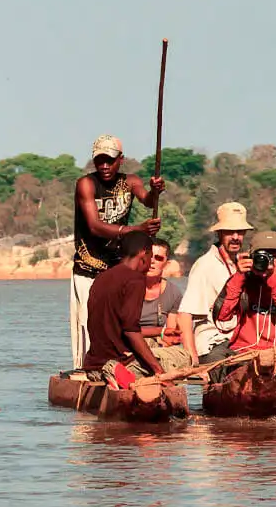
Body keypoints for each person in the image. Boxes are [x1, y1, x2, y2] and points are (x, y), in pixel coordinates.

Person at [69, 134, 164, 367]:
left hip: (115, 269)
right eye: (99, 160)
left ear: (120, 159)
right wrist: (135, 230)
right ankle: (86, 368)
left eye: (109, 160)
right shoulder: (87, 184)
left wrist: (155, 191)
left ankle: (118, 366)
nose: (104, 166)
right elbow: (94, 226)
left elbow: (148, 201)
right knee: (88, 322)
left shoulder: (129, 182)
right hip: (88, 267)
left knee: (118, 321)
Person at [212, 230, 276, 384]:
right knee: (214, 360)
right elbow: (222, 316)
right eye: (262, 256)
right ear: (252, 258)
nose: (268, 261)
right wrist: (239, 276)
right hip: (244, 352)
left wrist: (272, 278)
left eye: (274, 257)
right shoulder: (243, 279)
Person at [81, 230, 166, 386]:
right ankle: (114, 370)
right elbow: (131, 331)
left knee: (153, 346)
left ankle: (108, 371)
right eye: (150, 256)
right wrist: (158, 370)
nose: (151, 262)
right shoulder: (135, 280)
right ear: (143, 254)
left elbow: (115, 326)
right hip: (120, 362)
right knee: (182, 356)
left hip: (92, 364)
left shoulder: (102, 277)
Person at [173, 202, 254, 365]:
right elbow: (184, 315)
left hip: (239, 343)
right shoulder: (205, 266)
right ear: (219, 233)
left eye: (239, 232)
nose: (236, 237)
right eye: (230, 232)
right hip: (212, 345)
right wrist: (192, 357)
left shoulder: (243, 264)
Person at [140, 238, 188, 374]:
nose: (152, 262)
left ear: (166, 264)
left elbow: (170, 332)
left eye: (158, 258)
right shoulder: (128, 287)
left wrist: (167, 342)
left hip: (157, 348)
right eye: (148, 256)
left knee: (184, 356)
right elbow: (124, 330)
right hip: (131, 343)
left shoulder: (174, 292)